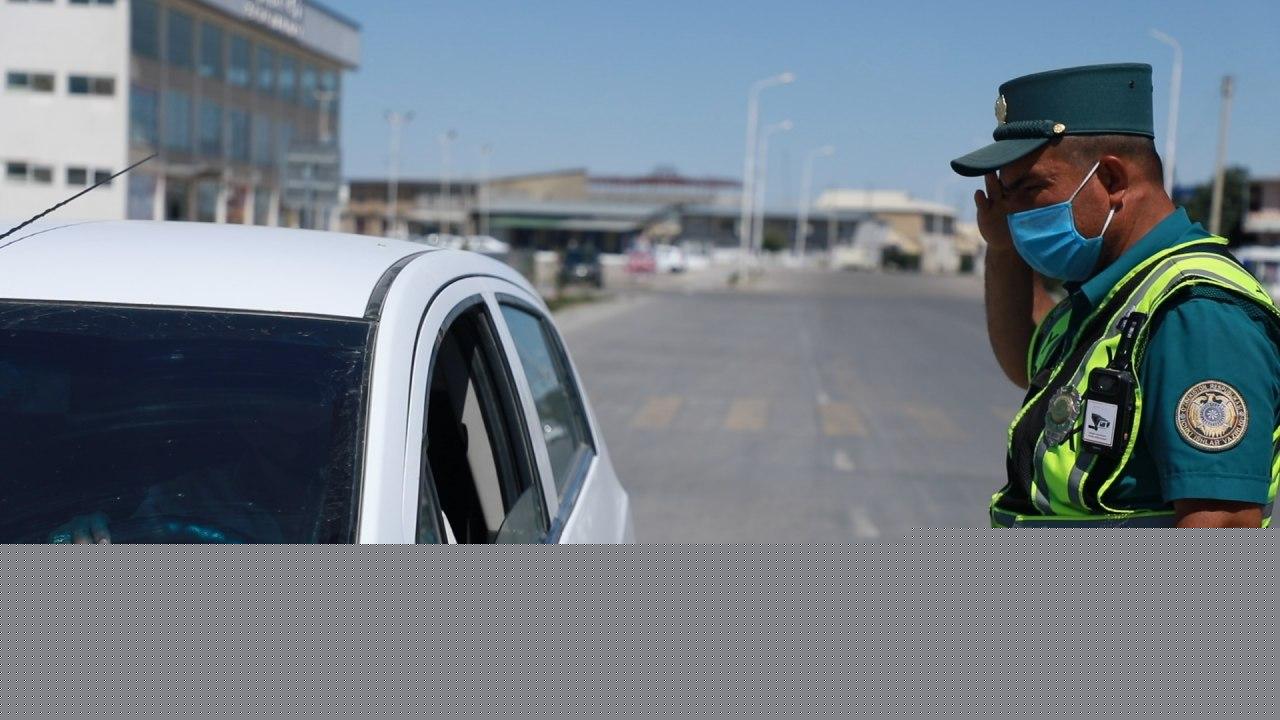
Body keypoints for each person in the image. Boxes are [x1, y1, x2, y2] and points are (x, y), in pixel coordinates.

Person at [951, 63, 1280, 528]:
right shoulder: (1118, 294)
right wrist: (1006, 249)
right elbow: (1025, 357)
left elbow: (1224, 526)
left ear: (1110, 179)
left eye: (1030, 189)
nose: (1013, 211)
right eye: (1006, 194)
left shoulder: (1197, 311)